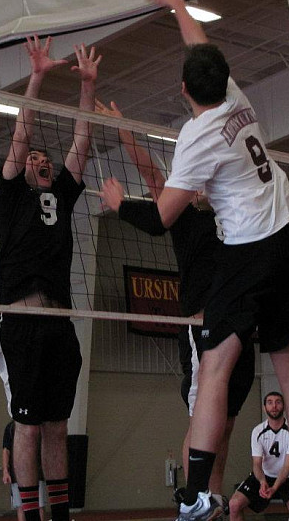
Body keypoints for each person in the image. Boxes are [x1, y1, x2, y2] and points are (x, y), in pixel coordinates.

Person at [98, 0, 289, 520]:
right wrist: (177, 4)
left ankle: (199, 494)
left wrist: (117, 205)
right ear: (224, 79)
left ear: (183, 91)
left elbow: (160, 218)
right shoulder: (237, 99)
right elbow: (201, 46)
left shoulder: (195, 138)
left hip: (251, 249)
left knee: (216, 366)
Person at [95, 99, 255, 512]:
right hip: (203, 329)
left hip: (239, 328)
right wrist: (124, 131)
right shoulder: (183, 215)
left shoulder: (236, 215)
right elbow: (152, 175)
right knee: (204, 422)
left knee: (227, 424)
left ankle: (212, 499)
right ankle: (193, 499)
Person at [0, 35, 101, 521]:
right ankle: (28, 514)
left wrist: (87, 88)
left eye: (45, 158)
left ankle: (59, 515)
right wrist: (36, 76)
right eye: (34, 157)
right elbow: (23, 129)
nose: (41, 159)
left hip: (60, 324)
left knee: (58, 425)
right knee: (29, 428)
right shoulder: (12, 193)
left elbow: (82, 140)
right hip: (21, 321)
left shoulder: (62, 192)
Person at [229, 392, 289, 521]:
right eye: (270, 402)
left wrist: (275, 488)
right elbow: (256, 464)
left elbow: (287, 466)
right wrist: (262, 481)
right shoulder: (258, 431)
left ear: (284, 406)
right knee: (234, 504)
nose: (274, 406)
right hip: (265, 475)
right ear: (264, 407)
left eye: (278, 402)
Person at [3, 421, 47, 521]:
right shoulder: (10, 428)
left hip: (37, 472)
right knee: (21, 506)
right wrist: (6, 470)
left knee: (39, 505)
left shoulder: (39, 425)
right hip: (17, 473)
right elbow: (6, 450)